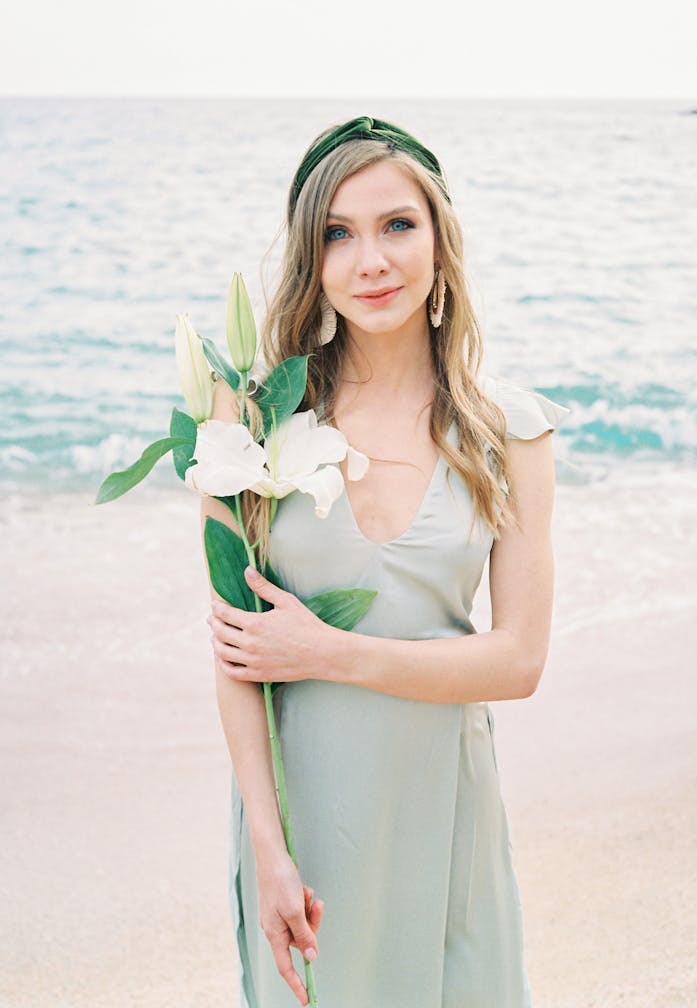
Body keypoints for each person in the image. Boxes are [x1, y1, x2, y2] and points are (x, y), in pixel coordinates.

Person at [201, 116, 568, 1008]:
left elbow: (518, 660)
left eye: (398, 225)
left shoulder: (509, 431)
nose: (371, 260)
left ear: (440, 241)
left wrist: (333, 654)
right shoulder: (249, 419)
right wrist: (267, 847)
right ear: (311, 258)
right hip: (303, 817)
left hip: (445, 808)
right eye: (338, 233)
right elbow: (234, 651)